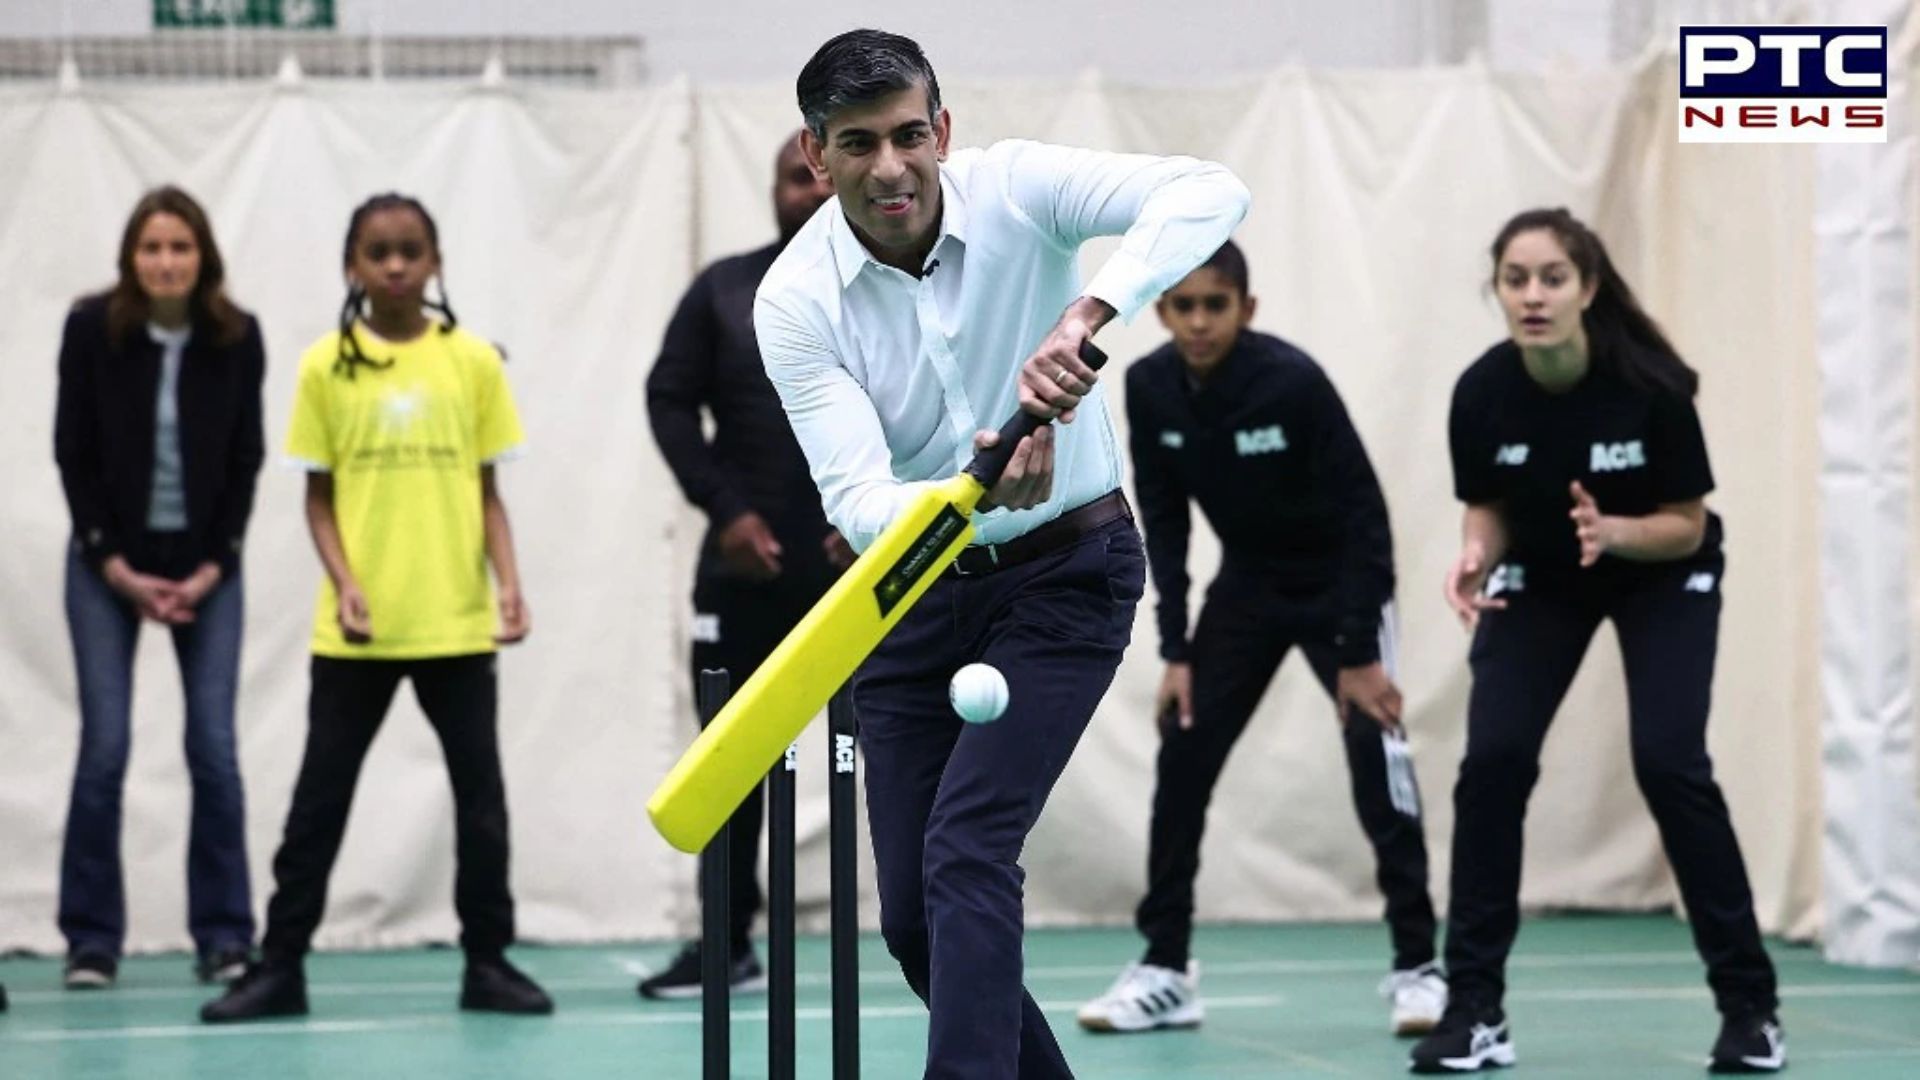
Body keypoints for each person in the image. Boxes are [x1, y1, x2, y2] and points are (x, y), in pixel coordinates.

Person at [754, 29, 1248, 1078]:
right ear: (815, 155)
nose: (889, 169)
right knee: (914, 924)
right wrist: (962, 502)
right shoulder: (795, 303)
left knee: (968, 851)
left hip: (1068, 572)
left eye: (905, 136)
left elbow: (1210, 191)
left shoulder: (1021, 187)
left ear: (942, 129)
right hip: (909, 595)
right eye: (856, 145)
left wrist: (1090, 309)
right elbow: (858, 499)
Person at [1409, 208, 1782, 1074]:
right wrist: (1475, 555)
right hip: (1543, 576)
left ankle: (1751, 1007)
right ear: (1497, 290)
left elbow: (1688, 526)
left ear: (1587, 288)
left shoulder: (1651, 384)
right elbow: (1489, 506)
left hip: (1662, 572)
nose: (1532, 296)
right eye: (1515, 279)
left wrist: (1613, 531)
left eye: (1552, 278)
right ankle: (1474, 1011)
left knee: (1670, 762)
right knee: (1493, 763)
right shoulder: (1481, 392)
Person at [1076, 241, 1444, 1038]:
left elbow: (1365, 519)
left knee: (1377, 767)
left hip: (1342, 587)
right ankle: (1167, 970)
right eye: (1183, 307)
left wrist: (1359, 655)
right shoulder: (1149, 387)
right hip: (1247, 589)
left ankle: (1419, 966)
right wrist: (1175, 650)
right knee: (1183, 758)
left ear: (1248, 308)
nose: (1200, 322)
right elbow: (1165, 525)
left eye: (1216, 305)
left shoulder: (1293, 381)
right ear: (1163, 313)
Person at [202, 193, 550, 1023]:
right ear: (352, 266)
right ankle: (279, 965)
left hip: (455, 622)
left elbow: (487, 492)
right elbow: (317, 499)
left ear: (435, 262)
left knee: (481, 801)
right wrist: (346, 581)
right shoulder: (327, 365)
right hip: (356, 631)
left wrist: (509, 584)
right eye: (378, 252)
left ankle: (488, 962)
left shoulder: (472, 362)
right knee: (318, 802)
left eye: (410, 250)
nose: (395, 266)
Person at [639, 132, 846, 999]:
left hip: (859, 581)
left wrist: (872, 520)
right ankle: (726, 945)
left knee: (907, 752)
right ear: (773, 191)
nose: (804, 192)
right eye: (791, 179)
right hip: (743, 576)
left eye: (816, 179)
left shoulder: (885, 290)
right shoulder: (724, 289)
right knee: (730, 761)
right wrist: (726, 513)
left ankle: (937, 932)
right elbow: (669, 400)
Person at [53, 186, 265, 990]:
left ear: (202, 256)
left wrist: (212, 568)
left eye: (181, 247)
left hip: (208, 567)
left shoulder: (238, 338)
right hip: (107, 566)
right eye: (152, 248)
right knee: (104, 747)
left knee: (213, 748)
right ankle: (91, 940)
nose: (167, 261)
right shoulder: (89, 330)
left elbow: (246, 459)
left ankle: (224, 935)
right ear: (130, 258)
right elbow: (71, 452)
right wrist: (117, 567)